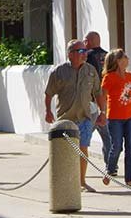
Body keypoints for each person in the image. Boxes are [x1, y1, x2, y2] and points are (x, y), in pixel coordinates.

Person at [44, 40, 106, 193]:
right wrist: (48, 111)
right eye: (80, 51)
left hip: (84, 118)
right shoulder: (59, 72)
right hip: (65, 120)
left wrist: (103, 112)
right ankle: (64, 183)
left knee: (83, 149)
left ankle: (82, 182)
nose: (85, 54)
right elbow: (48, 93)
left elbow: (98, 93)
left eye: (85, 51)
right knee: (65, 153)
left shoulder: (90, 71)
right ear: (70, 54)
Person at [100, 49, 131, 187]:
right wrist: (102, 113)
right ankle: (109, 171)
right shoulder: (109, 78)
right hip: (115, 118)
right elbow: (103, 97)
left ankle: (129, 179)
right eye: (125, 57)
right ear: (118, 61)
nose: (127, 59)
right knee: (116, 147)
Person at [83, 31, 112, 168]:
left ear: (88, 41)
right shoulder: (108, 57)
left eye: (85, 41)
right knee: (107, 136)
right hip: (107, 101)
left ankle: (79, 164)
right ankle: (111, 165)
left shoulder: (87, 56)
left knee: (85, 134)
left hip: (93, 101)